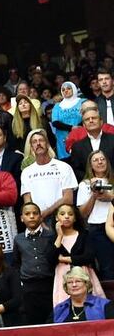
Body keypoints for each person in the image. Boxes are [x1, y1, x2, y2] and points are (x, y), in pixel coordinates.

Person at [50, 204, 105, 305]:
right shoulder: (53, 238)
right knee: (65, 309)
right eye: (62, 214)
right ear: (57, 218)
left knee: (91, 308)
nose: (66, 216)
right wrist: (60, 236)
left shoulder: (84, 234)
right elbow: (50, 259)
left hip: (84, 274)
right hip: (62, 277)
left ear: (75, 218)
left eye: (70, 214)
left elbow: (88, 257)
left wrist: (64, 259)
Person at [12, 203, 57, 325]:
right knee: (32, 319)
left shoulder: (51, 236)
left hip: (49, 283)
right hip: (28, 286)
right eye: (27, 214)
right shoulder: (18, 239)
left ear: (41, 217)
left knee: (51, 317)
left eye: (35, 213)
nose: (31, 216)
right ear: (21, 218)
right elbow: (16, 263)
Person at [20, 129, 78, 222]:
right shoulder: (26, 172)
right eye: (34, 142)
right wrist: (36, 218)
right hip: (37, 220)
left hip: (61, 218)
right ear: (31, 147)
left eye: (41, 140)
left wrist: (46, 212)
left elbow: (68, 198)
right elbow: (28, 201)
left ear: (47, 144)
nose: (38, 144)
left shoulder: (64, 167)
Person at [76, 150, 114, 279]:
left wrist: (109, 196)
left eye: (102, 159)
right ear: (90, 165)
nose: (100, 162)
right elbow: (82, 214)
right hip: (97, 228)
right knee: (106, 266)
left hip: (112, 223)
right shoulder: (84, 185)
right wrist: (93, 195)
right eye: (96, 160)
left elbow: (110, 197)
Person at [48, 267, 114, 322]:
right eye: (70, 282)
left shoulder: (105, 305)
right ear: (66, 287)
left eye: (78, 281)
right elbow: (48, 332)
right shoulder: (59, 309)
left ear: (86, 284)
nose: (74, 285)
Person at [51, 82, 83, 159]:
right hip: (63, 140)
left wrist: (77, 128)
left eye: (69, 88)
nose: (66, 91)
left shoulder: (83, 102)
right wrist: (71, 128)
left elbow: (87, 116)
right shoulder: (57, 106)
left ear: (74, 89)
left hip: (80, 136)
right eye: (63, 89)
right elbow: (55, 122)